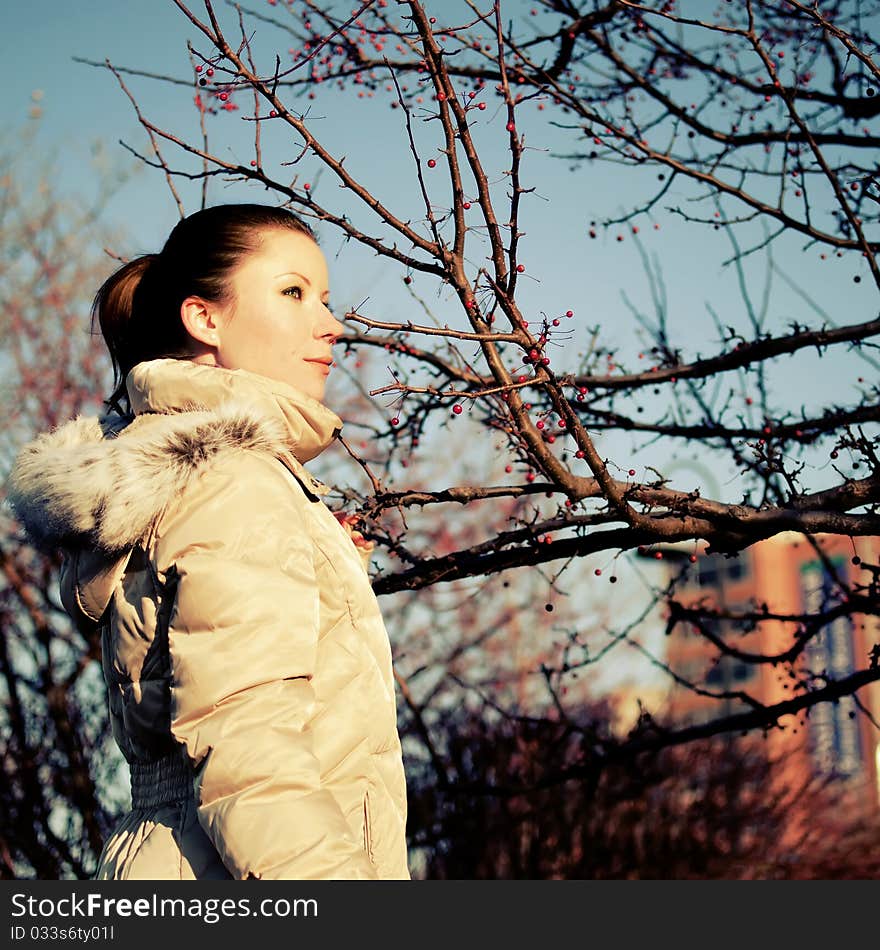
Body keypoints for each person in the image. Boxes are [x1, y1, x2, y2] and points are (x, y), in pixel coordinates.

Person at [7, 203, 410, 880]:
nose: (331, 324)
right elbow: (249, 748)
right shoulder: (233, 480)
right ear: (204, 318)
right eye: (293, 292)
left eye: (326, 298)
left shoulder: (207, 480)